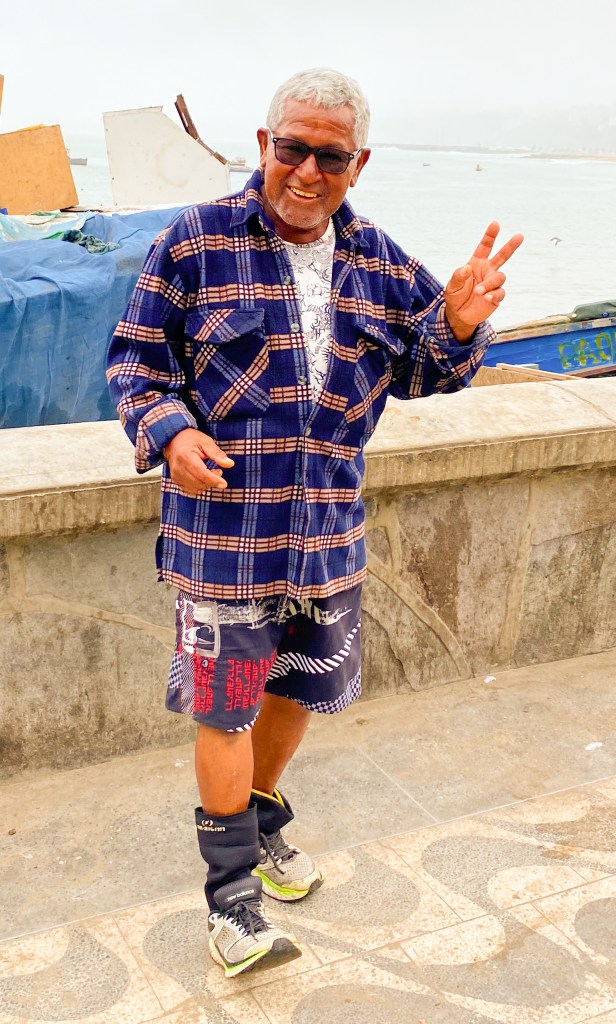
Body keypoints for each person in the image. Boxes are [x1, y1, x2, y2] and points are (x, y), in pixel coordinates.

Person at [107, 67, 523, 979]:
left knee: (297, 692)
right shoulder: (194, 241)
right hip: (224, 542)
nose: (306, 171)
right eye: (291, 149)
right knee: (225, 709)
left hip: (326, 539)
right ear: (264, 145)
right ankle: (232, 904)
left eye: (329, 157)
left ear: (357, 164)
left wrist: (458, 325)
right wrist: (171, 432)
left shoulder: (379, 259)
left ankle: (259, 824)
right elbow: (135, 364)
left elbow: (423, 369)